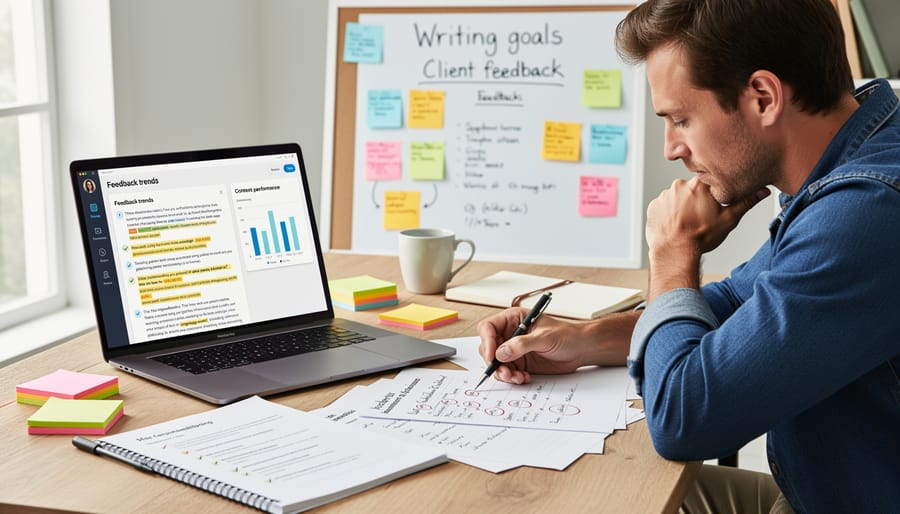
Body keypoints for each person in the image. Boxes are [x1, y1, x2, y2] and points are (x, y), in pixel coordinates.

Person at [477, 0, 900, 512]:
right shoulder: (854, 162)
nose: (670, 148)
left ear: (763, 97)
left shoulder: (866, 215)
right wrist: (584, 341)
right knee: (611, 489)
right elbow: (735, 305)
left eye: (680, 118)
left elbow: (684, 420)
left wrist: (673, 253)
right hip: (818, 492)